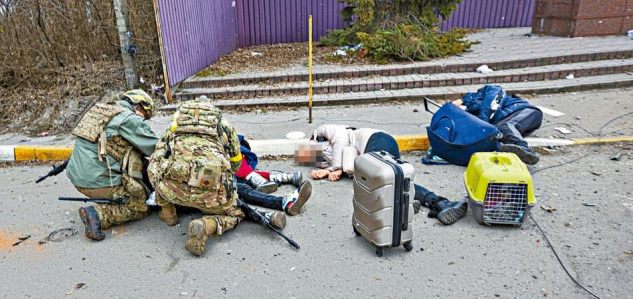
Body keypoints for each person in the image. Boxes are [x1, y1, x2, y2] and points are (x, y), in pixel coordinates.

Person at [147, 99, 304, 256]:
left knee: (162, 177)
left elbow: (155, 161)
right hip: (211, 196)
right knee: (237, 213)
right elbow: (236, 165)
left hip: (174, 193)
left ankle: (169, 216)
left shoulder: (173, 128)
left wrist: (162, 187)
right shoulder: (224, 127)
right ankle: (208, 225)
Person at [307, 124, 467, 225]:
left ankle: (416, 203)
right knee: (388, 182)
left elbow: (340, 138)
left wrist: (336, 168)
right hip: (372, 151)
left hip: (377, 140)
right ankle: (425, 203)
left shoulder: (322, 131)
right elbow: (341, 162)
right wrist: (327, 171)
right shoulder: (322, 155)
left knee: (379, 180)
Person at [66, 89, 159, 241]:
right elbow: (154, 148)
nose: (144, 119)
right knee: (141, 205)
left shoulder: (99, 110)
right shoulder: (129, 118)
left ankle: (107, 198)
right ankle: (97, 215)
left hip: (76, 178)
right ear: (140, 106)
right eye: (145, 115)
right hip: (98, 183)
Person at [457, 84, 543, 165]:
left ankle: (525, 151)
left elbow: (493, 99)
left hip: (524, 111)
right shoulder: (466, 113)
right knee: (500, 131)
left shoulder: (484, 92)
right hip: (507, 123)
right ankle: (512, 150)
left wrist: (483, 123)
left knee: (504, 126)